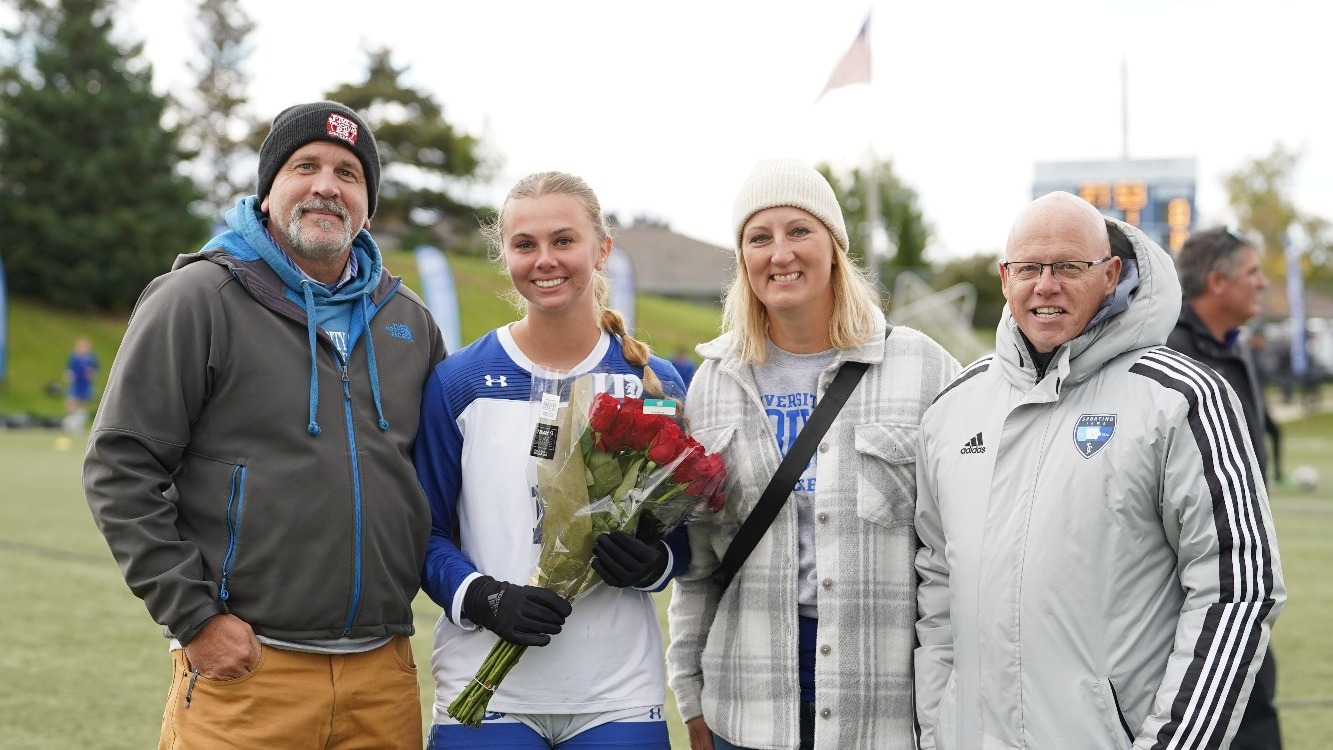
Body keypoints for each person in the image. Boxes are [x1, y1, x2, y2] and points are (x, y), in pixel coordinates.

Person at [83, 101, 447, 750]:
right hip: (248, 667)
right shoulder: (197, 297)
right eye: (305, 165)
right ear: (269, 186)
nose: (326, 186)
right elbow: (120, 469)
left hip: (382, 675)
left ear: (365, 202)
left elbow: (444, 481)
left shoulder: (409, 321)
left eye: (348, 172)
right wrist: (194, 618)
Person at [914, 192, 1285, 749]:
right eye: (1029, 269)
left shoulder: (1182, 398)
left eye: (1068, 267)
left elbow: (1240, 586)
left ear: (1111, 274)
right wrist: (939, 729)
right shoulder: (952, 409)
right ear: (1003, 277)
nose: (1045, 285)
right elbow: (937, 584)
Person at [666, 158, 961, 750]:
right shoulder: (715, 382)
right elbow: (699, 564)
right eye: (760, 237)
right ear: (743, 259)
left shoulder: (922, 368)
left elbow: (954, 553)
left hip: (881, 704)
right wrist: (691, 693)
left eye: (799, 231)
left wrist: (943, 702)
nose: (781, 253)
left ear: (834, 248)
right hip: (745, 702)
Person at [413, 171, 688, 749]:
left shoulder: (654, 383)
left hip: (617, 694)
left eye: (564, 241)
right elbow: (426, 533)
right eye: (525, 244)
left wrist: (653, 562)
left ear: (601, 249)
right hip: (487, 693)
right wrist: (483, 596)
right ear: (505, 255)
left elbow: (683, 536)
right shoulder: (458, 381)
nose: (545, 260)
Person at [1168, 225, 1283, 749]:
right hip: (1188, 592)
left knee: (1256, 703)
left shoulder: (1234, 348)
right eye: (1253, 272)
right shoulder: (1166, 351)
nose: (1263, 283)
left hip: (1243, 576)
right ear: (1217, 282)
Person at [63, 336, 99, 432]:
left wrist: (92, 374)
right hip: (76, 384)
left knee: (83, 403)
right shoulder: (74, 357)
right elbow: (69, 369)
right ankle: (71, 422)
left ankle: (78, 424)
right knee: (71, 401)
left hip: (85, 384)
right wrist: (69, 375)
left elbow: (95, 369)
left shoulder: (91, 358)